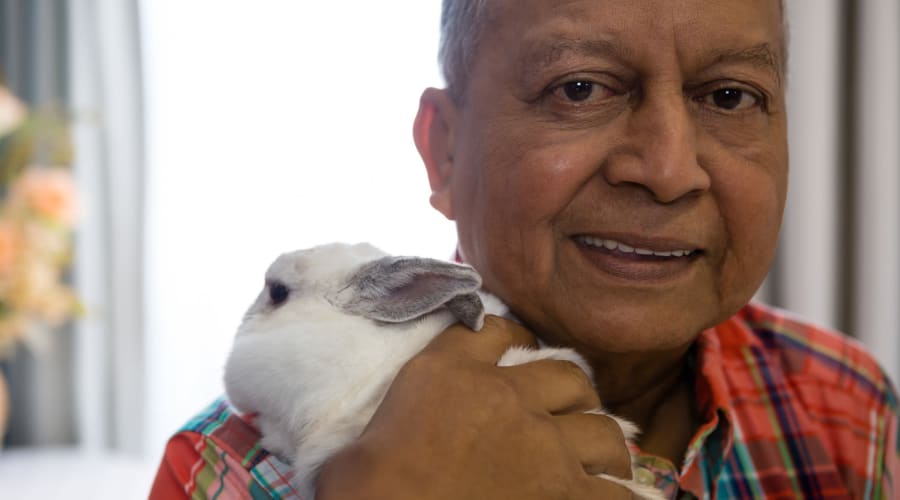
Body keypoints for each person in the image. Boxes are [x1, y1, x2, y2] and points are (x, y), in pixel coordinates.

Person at [150, 0, 899, 498]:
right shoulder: (234, 472)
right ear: (444, 154)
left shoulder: (840, 402)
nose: (670, 171)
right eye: (578, 88)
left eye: (731, 96)